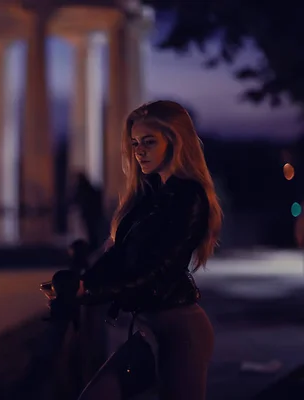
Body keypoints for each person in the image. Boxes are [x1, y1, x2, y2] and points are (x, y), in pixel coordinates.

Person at [76, 100, 223, 400]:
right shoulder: (147, 194)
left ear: (174, 141)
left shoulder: (188, 197)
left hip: (181, 331)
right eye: (134, 143)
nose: (138, 151)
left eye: (148, 142)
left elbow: (156, 272)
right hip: (147, 328)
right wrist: (80, 283)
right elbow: (118, 255)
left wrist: (90, 293)